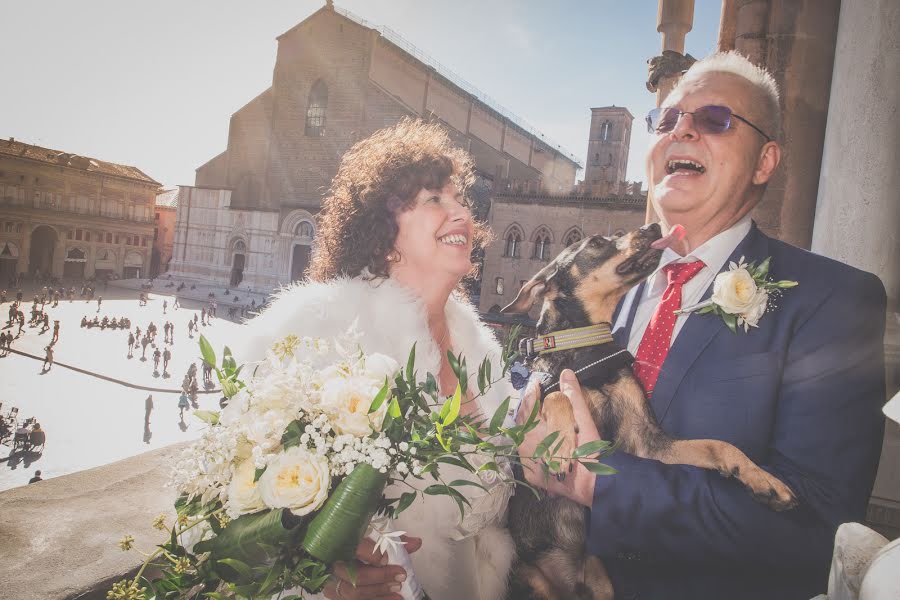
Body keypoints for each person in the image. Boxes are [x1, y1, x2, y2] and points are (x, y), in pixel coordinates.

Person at [515, 52, 887, 600]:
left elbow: (816, 531)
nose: (681, 128)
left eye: (714, 119)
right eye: (665, 120)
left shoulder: (835, 300)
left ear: (764, 162)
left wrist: (601, 484)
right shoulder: (598, 290)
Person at [240, 119, 514, 600]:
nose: (461, 213)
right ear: (385, 234)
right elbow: (244, 497)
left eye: (461, 200)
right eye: (434, 199)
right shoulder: (319, 328)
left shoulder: (479, 347)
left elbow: (490, 494)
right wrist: (317, 577)